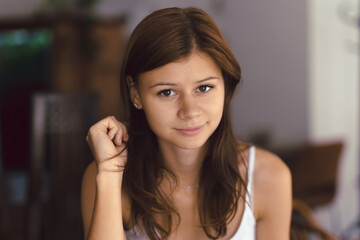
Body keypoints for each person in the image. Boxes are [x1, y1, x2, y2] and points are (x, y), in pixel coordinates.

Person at [81, 6, 292, 240]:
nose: (190, 111)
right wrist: (110, 173)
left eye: (204, 88)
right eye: (167, 92)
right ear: (135, 94)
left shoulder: (269, 177)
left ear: (225, 86)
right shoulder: (105, 177)